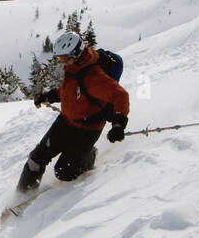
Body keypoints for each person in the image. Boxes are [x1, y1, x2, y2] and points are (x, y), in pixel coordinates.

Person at [16, 31, 130, 193]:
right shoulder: (74, 68)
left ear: (75, 53)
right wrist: (48, 96)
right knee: (36, 159)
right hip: (66, 121)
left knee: (63, 171)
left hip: (87, 129)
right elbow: (71, 91)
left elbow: (120, 95)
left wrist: (118, 124)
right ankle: (22, 196)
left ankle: (88, 156)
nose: (61, 62)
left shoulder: (94, 76)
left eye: (63, 58)